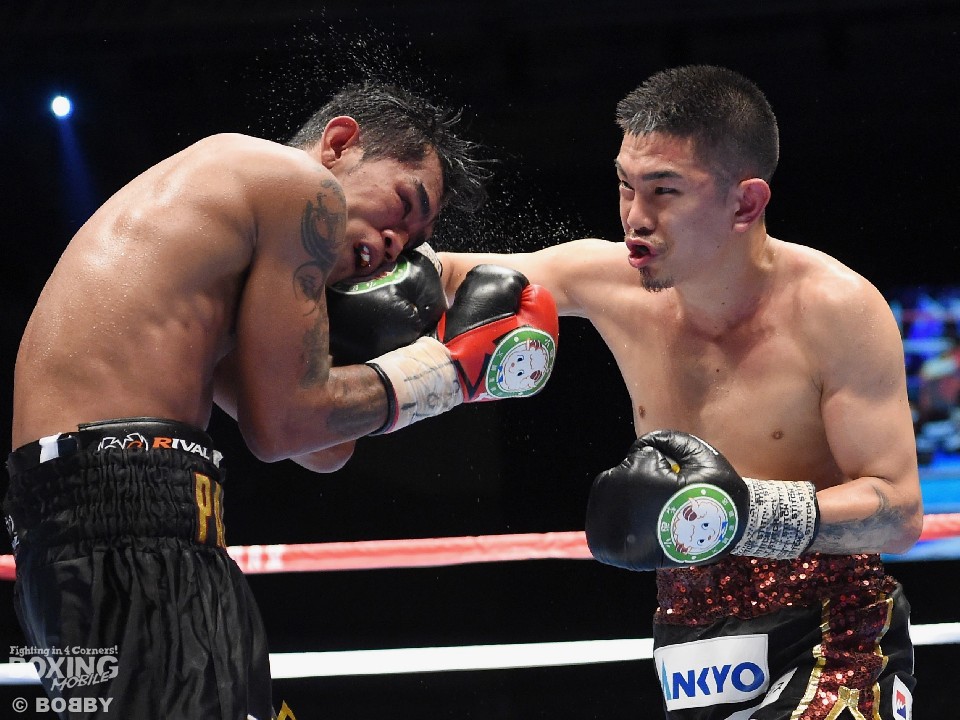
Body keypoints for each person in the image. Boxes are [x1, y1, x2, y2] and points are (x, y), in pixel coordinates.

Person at [3, 80, 558, 719]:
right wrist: (449, 374)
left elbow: (322, 450)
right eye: (403, 205)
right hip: (130, 512)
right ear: (340, 143)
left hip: (103, 519)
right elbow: (286, 427)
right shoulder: (298, 185)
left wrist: (406, 359)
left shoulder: (210, 250)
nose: (394, 243)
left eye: (410, 240)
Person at [438, 65, 922, 719]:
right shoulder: (606, 280)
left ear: (745, 204)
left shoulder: (836, 309)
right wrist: (346, 238)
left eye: (665, 191)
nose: (635, 216)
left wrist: (743, 513)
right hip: (687, 636)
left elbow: (898, 513)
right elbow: (443, 278)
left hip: (832, 629)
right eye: (625, 185)